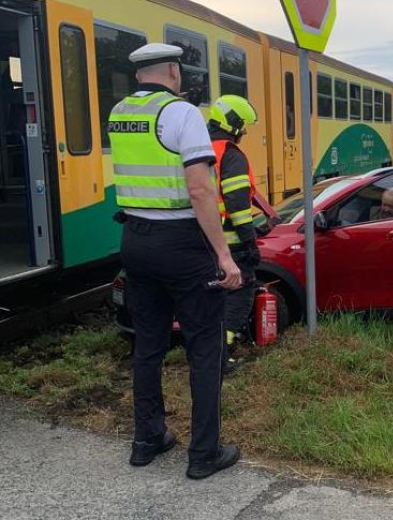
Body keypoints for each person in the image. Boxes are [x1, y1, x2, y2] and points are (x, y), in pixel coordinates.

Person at [108, 43, 242, 480]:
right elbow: (201, 190)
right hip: (181, 243)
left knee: (148, 345)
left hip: (135, 240)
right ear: (171, 70)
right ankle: (204, 454)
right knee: (204, 347)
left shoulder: (120, 113)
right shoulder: (182, 113)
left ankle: (147, 439)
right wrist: (224, 255)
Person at [207, 94, 273, 373]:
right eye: (242, 126)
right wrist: (250, 242)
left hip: (202, 239)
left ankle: (210, 353)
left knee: (212, 299)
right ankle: (223, 356)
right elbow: (237, 205)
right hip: (230, 242)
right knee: (239, 295)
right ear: (232, 123)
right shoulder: (230, 154)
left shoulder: (200, 148)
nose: (244, 132)